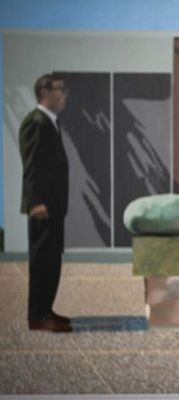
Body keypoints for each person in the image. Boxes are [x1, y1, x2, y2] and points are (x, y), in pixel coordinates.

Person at [19, 73, 71, 333]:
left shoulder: (51, 123)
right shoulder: (36, 123)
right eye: (59, 90)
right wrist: (36, 202)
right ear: (44, 93)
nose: (64, 94)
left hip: (54, 207)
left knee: (51, 261)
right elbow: (32, 168)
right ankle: (37, 316)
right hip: (44, 208)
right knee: (41, 262)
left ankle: (46, 310)